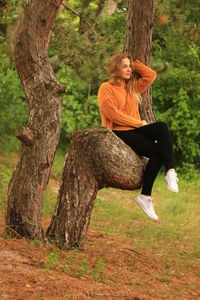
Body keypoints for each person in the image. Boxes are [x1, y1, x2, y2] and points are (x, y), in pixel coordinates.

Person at [97, 52, 179, 221]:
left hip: (133, 130)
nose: (129, 69)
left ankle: (166, 175)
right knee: (158, 150)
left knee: (161, 130)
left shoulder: (130, 88)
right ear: (115, 69)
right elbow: (113, 115)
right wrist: (138, 123)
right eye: (124, 66)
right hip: (119, 132)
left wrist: (134, 62)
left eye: (130, 66)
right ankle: (147, 196)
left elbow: (151, 75)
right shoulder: (106, 88)